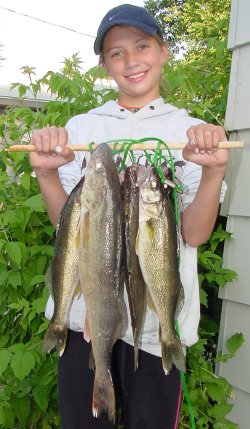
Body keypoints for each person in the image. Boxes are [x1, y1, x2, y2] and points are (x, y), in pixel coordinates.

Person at [29, 4, 228, 429]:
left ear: (164, 51)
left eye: (142, 46)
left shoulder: (190, 133)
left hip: (158, 326)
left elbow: (194, 234)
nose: (131, 60)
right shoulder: (81, 130)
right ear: (104, 64)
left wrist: (213, 170)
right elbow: (66, 230)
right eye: (116, 53)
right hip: (85, 318)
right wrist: (47, 173)